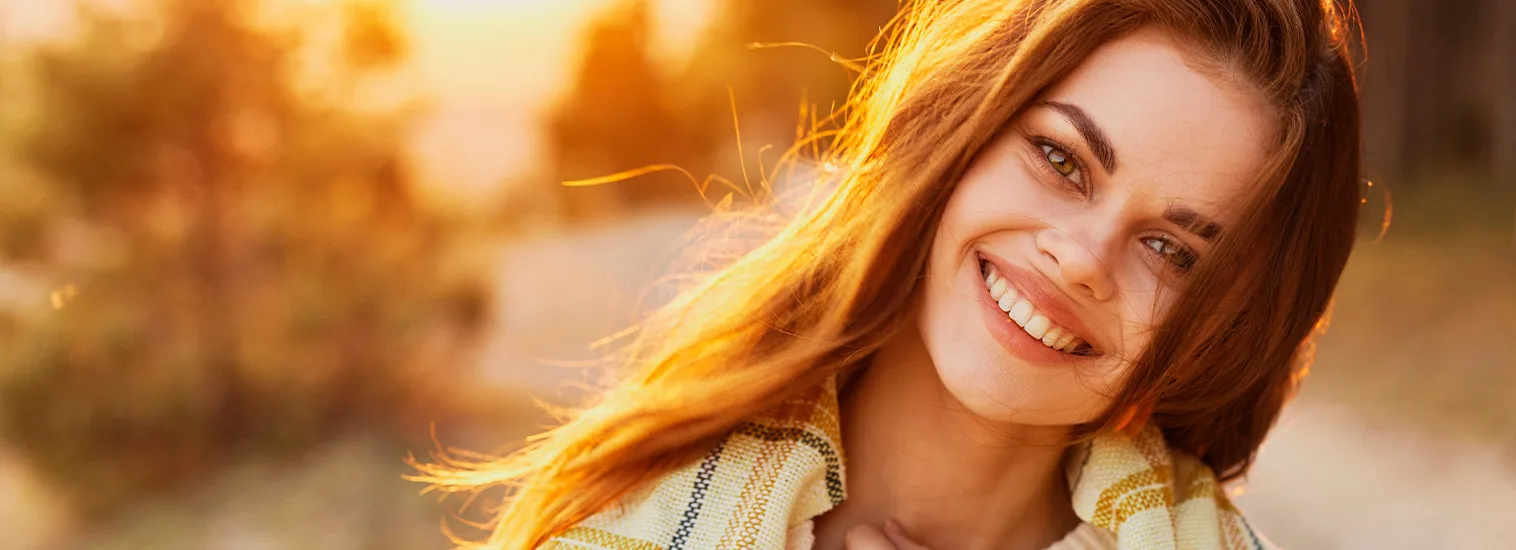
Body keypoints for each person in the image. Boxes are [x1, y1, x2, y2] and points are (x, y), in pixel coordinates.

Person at [418, 0, 1363, 548]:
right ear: (958, 132)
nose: (1080, 259)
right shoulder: (636, 522)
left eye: (1172, 250)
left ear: (1225, 322)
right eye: (1063, 160)